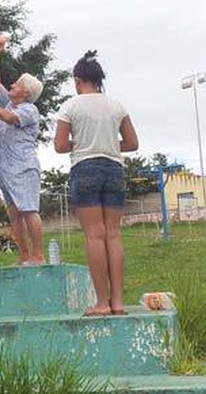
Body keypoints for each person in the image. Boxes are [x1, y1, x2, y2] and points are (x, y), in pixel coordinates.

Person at [54, 50, 139, 316]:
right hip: (114, 169)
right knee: (113, 234)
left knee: (94, 234)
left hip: (85, 168)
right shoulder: (117, 106)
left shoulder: (71, 106)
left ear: (78, 80)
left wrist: (78, 144)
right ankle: (118, 303)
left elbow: (59, 145)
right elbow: (132, 144)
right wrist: (109, 144)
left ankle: (101, 303)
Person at [0, 35, 45, 265]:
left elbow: (7, 118)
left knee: (28, 209)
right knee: (14, 214)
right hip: (6, 170)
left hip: (22, 167)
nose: (12, 84)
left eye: (17, 83)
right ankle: (24, 256)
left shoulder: (28, 110)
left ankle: (38, 254)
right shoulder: (10, 101)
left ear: (25, 93)